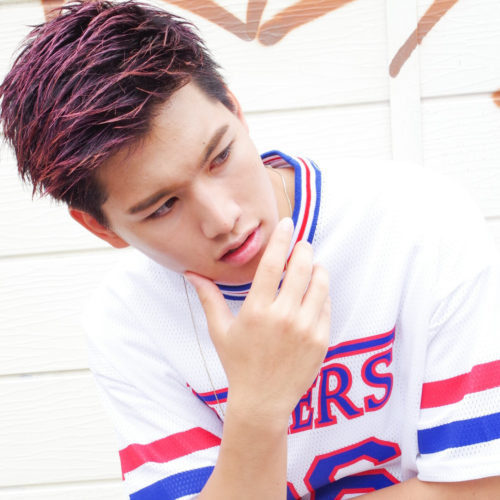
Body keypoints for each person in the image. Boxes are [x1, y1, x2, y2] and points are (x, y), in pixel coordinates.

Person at [1, 1, 499, 499]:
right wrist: (258, 406)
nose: (223, 219)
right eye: (163, 206)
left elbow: (480, 486)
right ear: (100, 227)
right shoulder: (128, 320)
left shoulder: (417, 221)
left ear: (235, 110)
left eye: (220, 157)